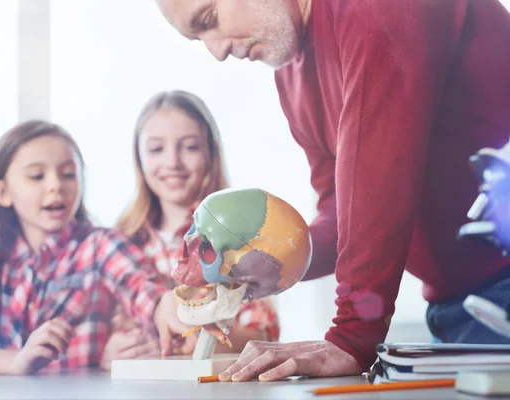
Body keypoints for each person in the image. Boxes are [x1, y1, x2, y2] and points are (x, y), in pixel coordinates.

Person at [154, 0, 510, 382]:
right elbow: (343, 210)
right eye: (199, 38)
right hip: (459, 308)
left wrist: (351, 334)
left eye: (209, 20)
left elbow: (379, 172)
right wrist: (246, 264)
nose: (217, 50)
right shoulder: (291, 73)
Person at [0, 120, 195, 375]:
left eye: (68, 174)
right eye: (36, 176)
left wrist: (166, 304)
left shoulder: (100, 246)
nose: (56, 185)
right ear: (2, 193)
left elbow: (143, 288)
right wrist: (17, 362)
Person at [100, 90, 280, 369]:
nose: (172, 162)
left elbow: (262, 333)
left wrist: (196, 340)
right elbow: (99, 327)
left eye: (190, 147)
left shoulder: (236, 237)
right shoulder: (119, 241)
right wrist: (108, 351)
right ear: (139, 157)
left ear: (211, 153)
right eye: (156, 149)